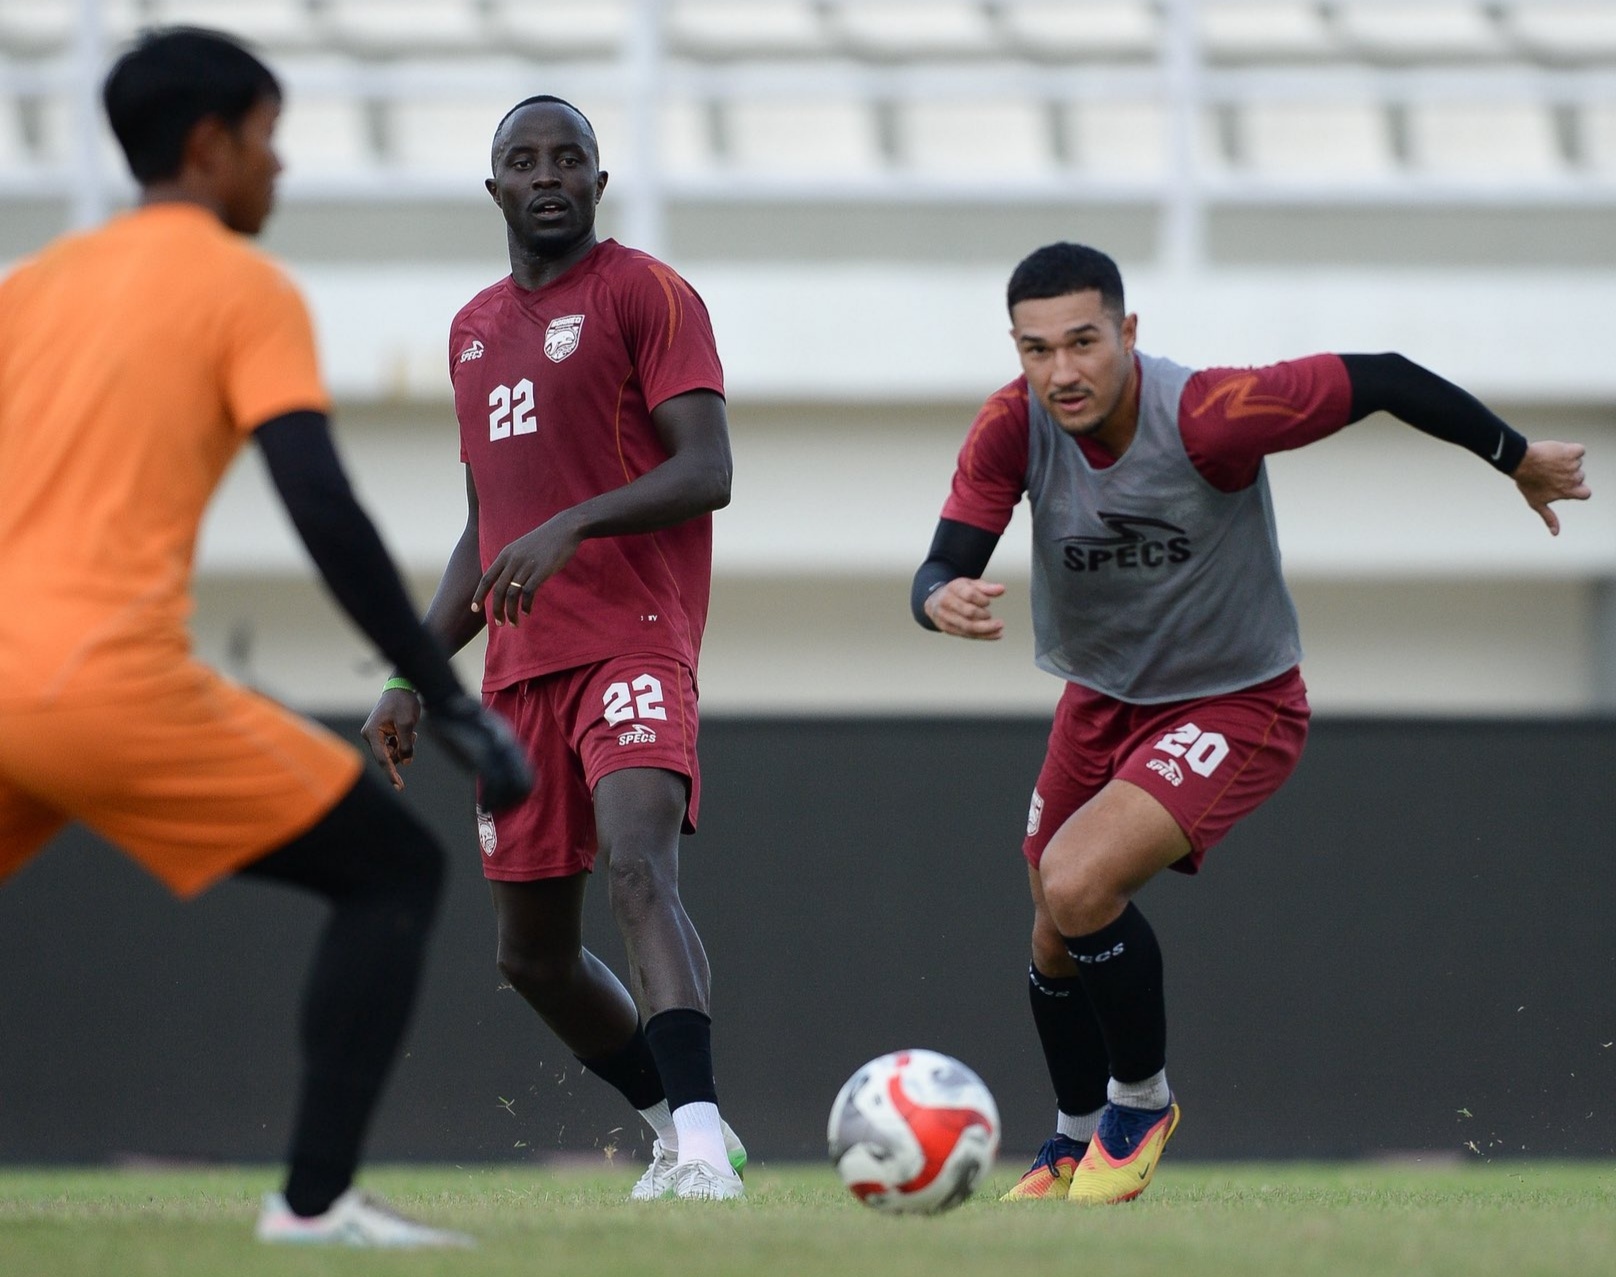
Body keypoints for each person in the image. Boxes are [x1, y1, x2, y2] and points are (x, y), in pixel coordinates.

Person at [911, 242, 1590, 1206]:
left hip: (1236, 701)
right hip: (1098, 699)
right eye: (1036, 349)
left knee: (1079, 878)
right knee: (1052, 929)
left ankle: (1140, 1103)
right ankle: (1071, 1138)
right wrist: (936, 598)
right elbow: (943, 562)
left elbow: (1382, 377)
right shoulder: (1011, 425)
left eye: (1083, 341)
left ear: (1128, 332)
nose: (1061, 370)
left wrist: (1516, 458)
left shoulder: (1208, 415)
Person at [0, 28, 532, 1247]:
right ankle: (312, 1203)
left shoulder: (29, 286)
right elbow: (324, 511)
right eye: (266, 138)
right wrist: (448, 698)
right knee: (390, 871)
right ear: (209, 145)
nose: (277, 166)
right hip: (99, 685)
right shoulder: (244, 289)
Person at [359, 95, 745, 1201]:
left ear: (597, 182)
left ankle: (704, 1149)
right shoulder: (472, 331)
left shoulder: (647, 293)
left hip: (633, 639)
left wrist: (572, 523)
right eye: (523, 161)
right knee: (529, 954)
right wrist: (411, 671)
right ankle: (677, 1127)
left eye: (568, 159)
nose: (546, 176)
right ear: (494, 188)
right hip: (518, 674)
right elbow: (485, 531)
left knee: (637, 866)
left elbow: (708, 468)